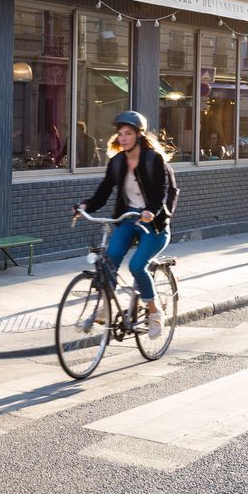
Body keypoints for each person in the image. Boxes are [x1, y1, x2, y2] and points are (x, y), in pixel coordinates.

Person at [74, 110, 179, 338]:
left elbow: (161, 193)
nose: (123, 138)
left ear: (139, 135)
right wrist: (85, 207)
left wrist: (151, 211)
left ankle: (154, 312)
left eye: (128, 133)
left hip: (155, 224)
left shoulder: (153, 159)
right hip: (129, 218)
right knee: (109, 260)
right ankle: (104, 306)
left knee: (137, 266)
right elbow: (103, 192)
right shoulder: (117, 162)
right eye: (120, 134)